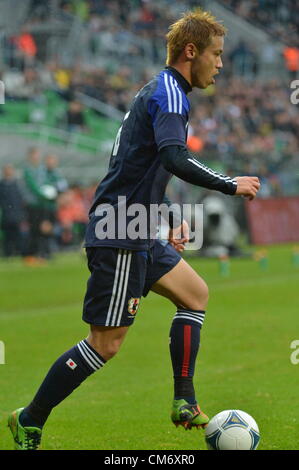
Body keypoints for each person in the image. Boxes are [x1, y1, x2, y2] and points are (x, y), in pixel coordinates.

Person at [8, 8, 260, 450]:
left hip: (135, 223)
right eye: (216, 54)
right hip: (120, 231)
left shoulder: (162, 91)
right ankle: (29, 418)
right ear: (190, 51)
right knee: (105, 345)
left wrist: (164, 218)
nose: (220, 63)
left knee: (195, 294)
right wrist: (228, 183)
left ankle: (184, 400)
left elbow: (137, 169)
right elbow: (173, 158)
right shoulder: (170, 94)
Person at [0, 164, 25, 257]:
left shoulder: (17, 184)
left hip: (17, 214)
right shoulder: (1, 185)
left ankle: (19, 252)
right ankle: (8, 253)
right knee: (8, 236)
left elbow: (21, 199)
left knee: (18, 235)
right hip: (6, 214)